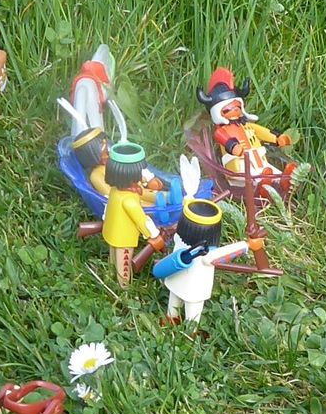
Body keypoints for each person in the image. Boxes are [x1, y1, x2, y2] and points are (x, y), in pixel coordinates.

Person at [152, 199, 259, 323]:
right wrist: (247, 245)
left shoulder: (178, 239)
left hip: (175, 279)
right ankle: (191, 329)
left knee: (174, 300)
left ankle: (171, 317)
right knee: (193, 311)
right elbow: (224, 254)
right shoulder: (206, 254)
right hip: (194, 288)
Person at [102, 142, 165, 287]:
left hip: (111, 231)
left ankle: (110, 274)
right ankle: (124, 287)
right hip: (124, 238)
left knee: (113, 257)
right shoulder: (129, 200)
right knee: (123, 263)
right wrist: (153, 235)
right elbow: (142, 220)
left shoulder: (114, 191)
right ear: (130, 175)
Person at [72, 127, 171, 206]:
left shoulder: (111, 163)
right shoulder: (96, 175)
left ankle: (169, 198)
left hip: (137, 189)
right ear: (91, 156)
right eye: (104, 153)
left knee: (153, 195)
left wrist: (144, 178)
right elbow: (109, 193)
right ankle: (159, 211)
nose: (108, 154)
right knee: (141, 205)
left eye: (107, 151)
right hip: (125, 199)